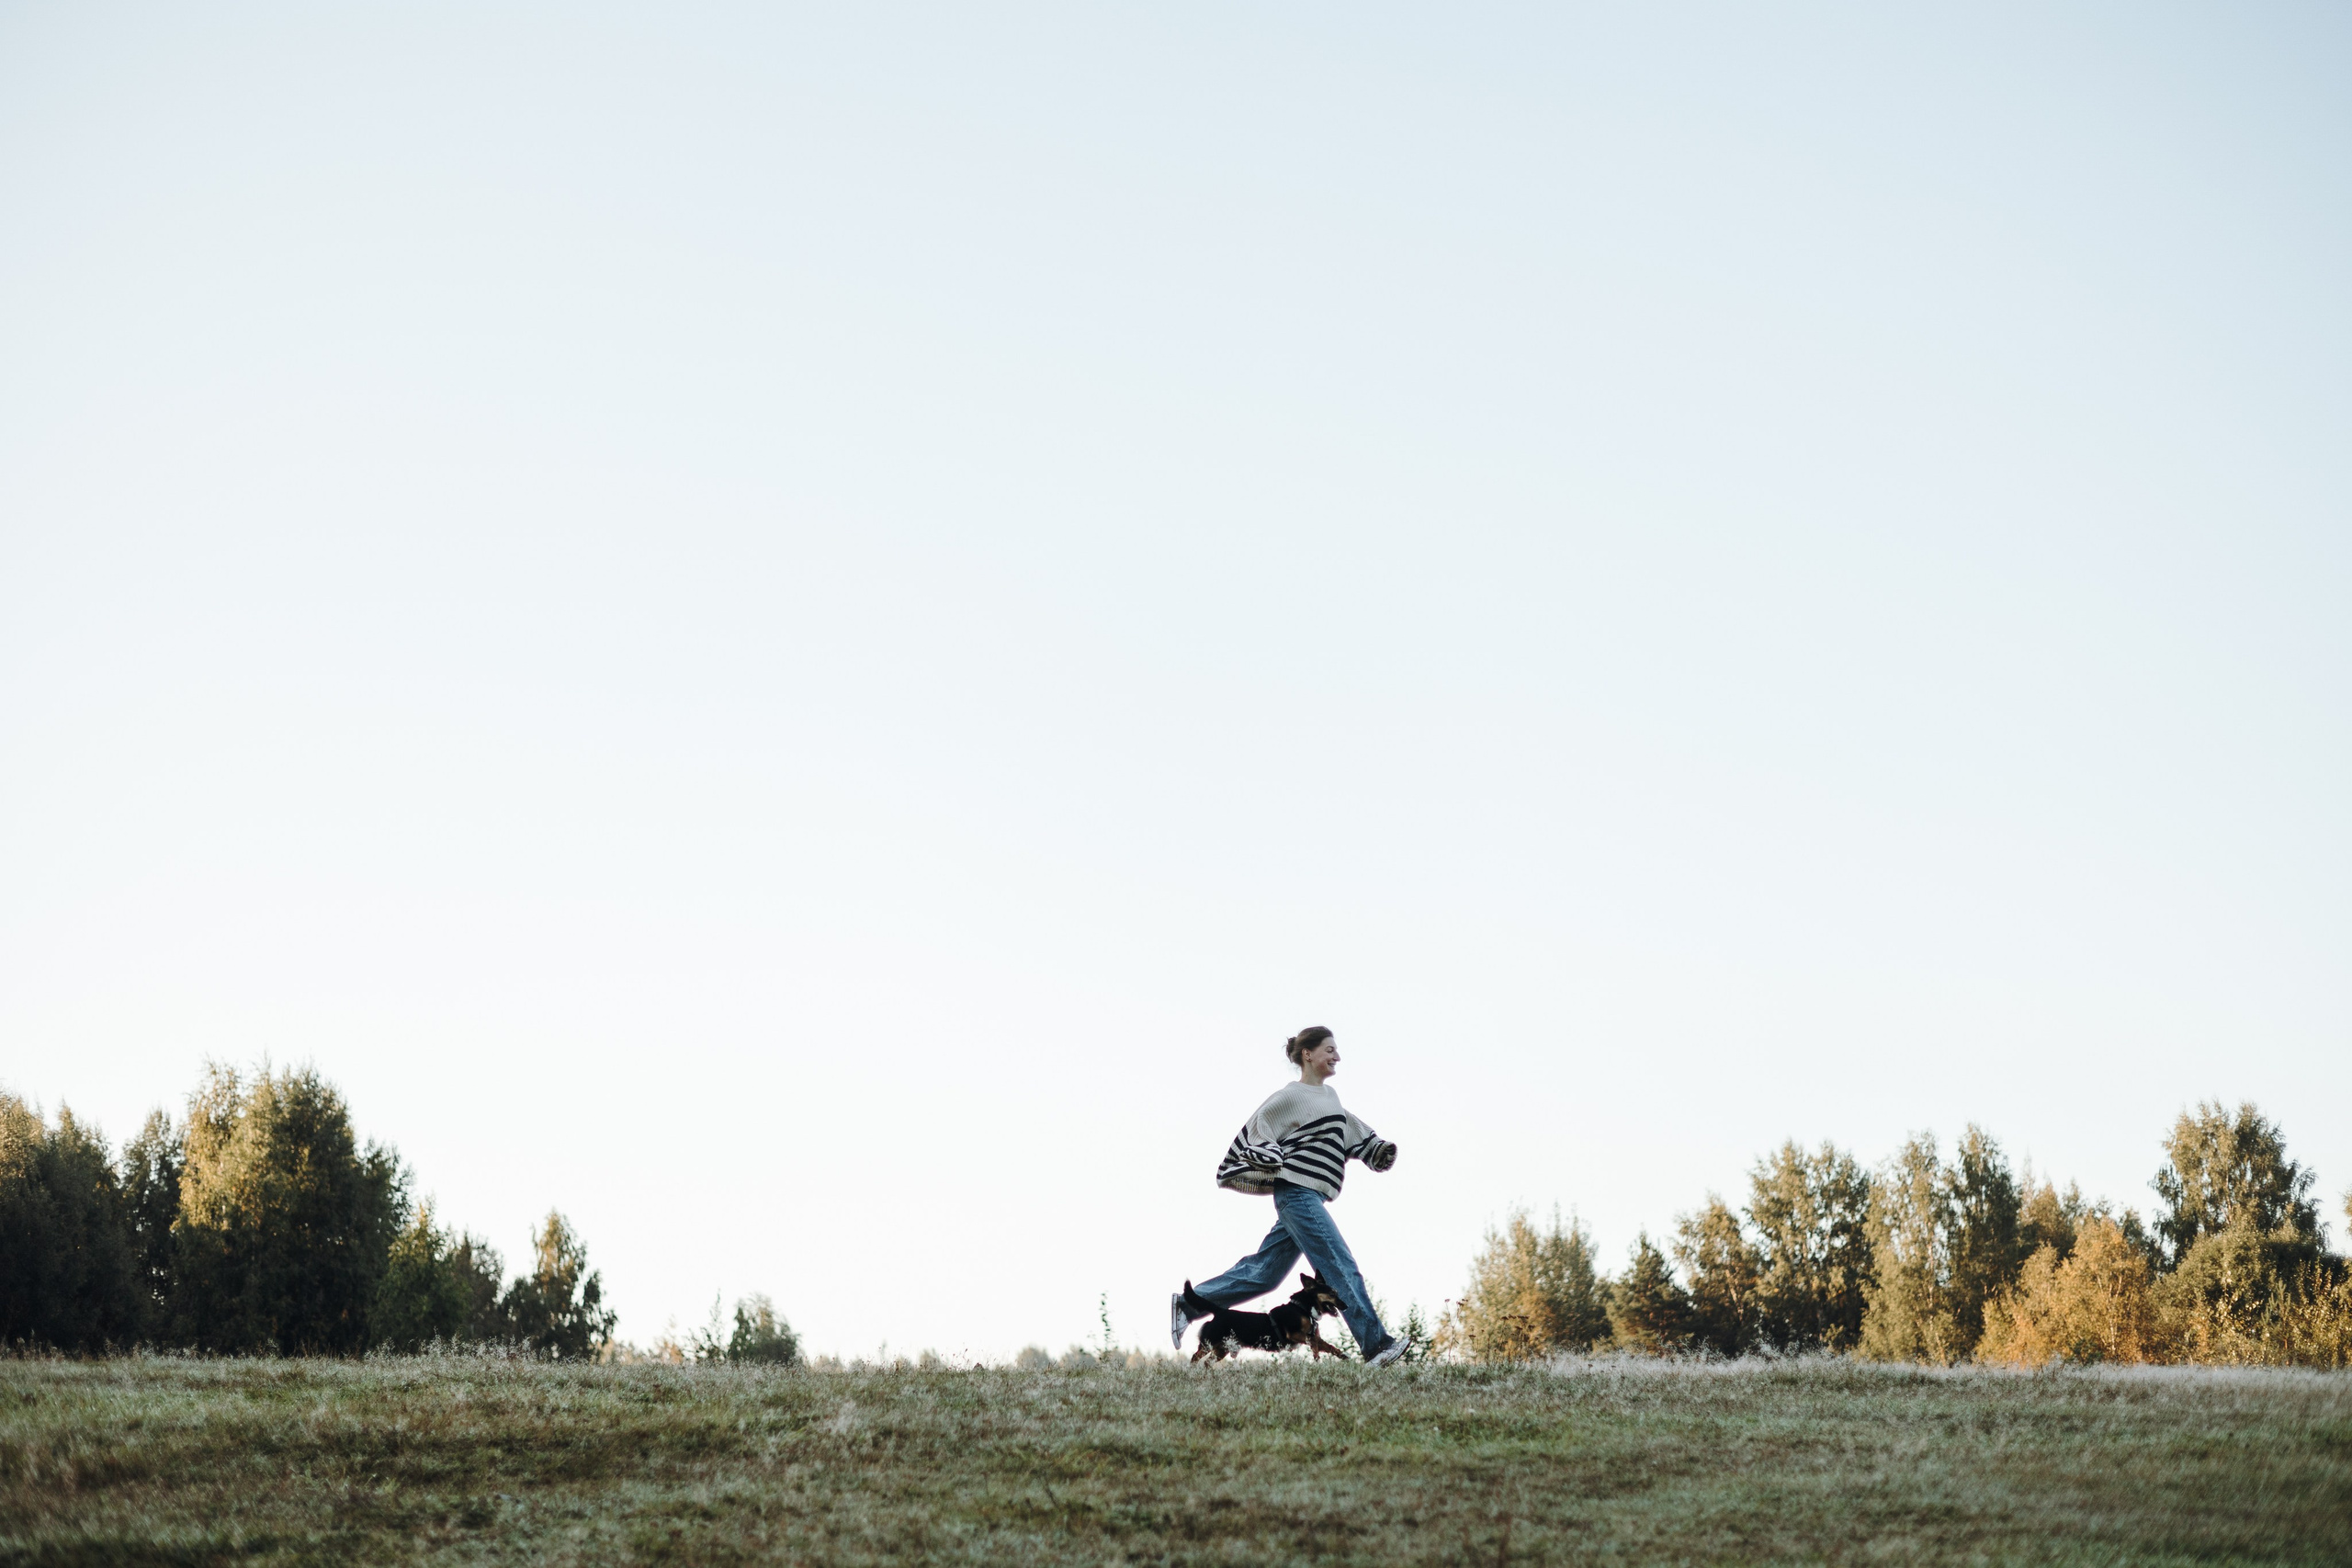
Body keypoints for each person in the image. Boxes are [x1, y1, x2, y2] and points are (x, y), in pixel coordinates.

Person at [1172, 1025, 1408, 1366]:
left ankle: (1188, 1305)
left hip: (1309, 1198)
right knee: (1339, 1265)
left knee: (1265, 1273)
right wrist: (1268, 1152)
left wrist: (1375, 1148)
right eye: (1329, 1049)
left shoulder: (1330, 1098)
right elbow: (1259, 1125)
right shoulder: (1290, 1096)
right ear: (1307, 1054)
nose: (1337, 1056)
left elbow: (1348, 1126)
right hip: (1297, 1194)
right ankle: (1376, 1346)